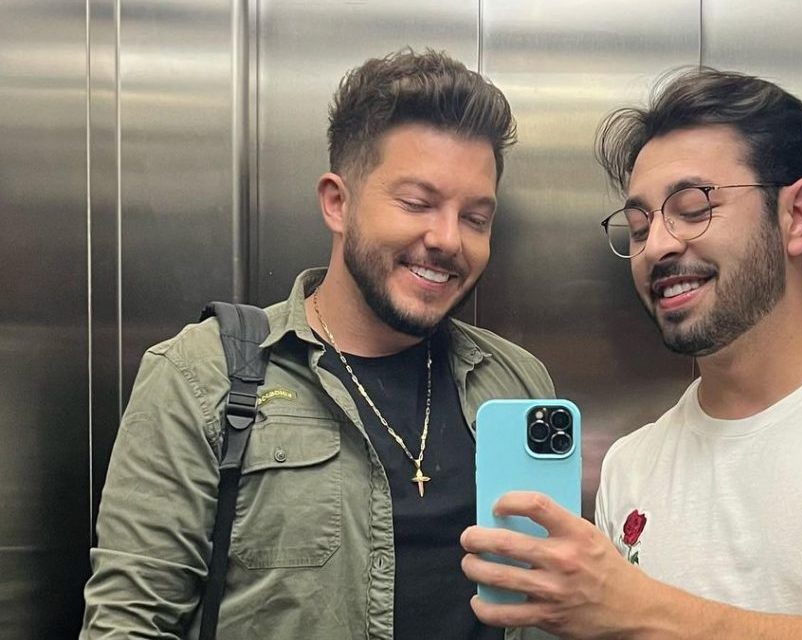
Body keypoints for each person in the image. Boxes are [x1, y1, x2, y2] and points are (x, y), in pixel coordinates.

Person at [461, 67, 802, 639]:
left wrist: (636, 609)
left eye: (692, 208)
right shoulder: (632, 462)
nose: (656, 246)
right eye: (638, 226)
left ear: (797, 216)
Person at [80, 48, 554, 640]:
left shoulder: (515, 382)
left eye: (476, 218)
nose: (447, 239)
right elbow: (129, 624)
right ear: (337, 202)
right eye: (417, 203)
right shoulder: (202, 375)